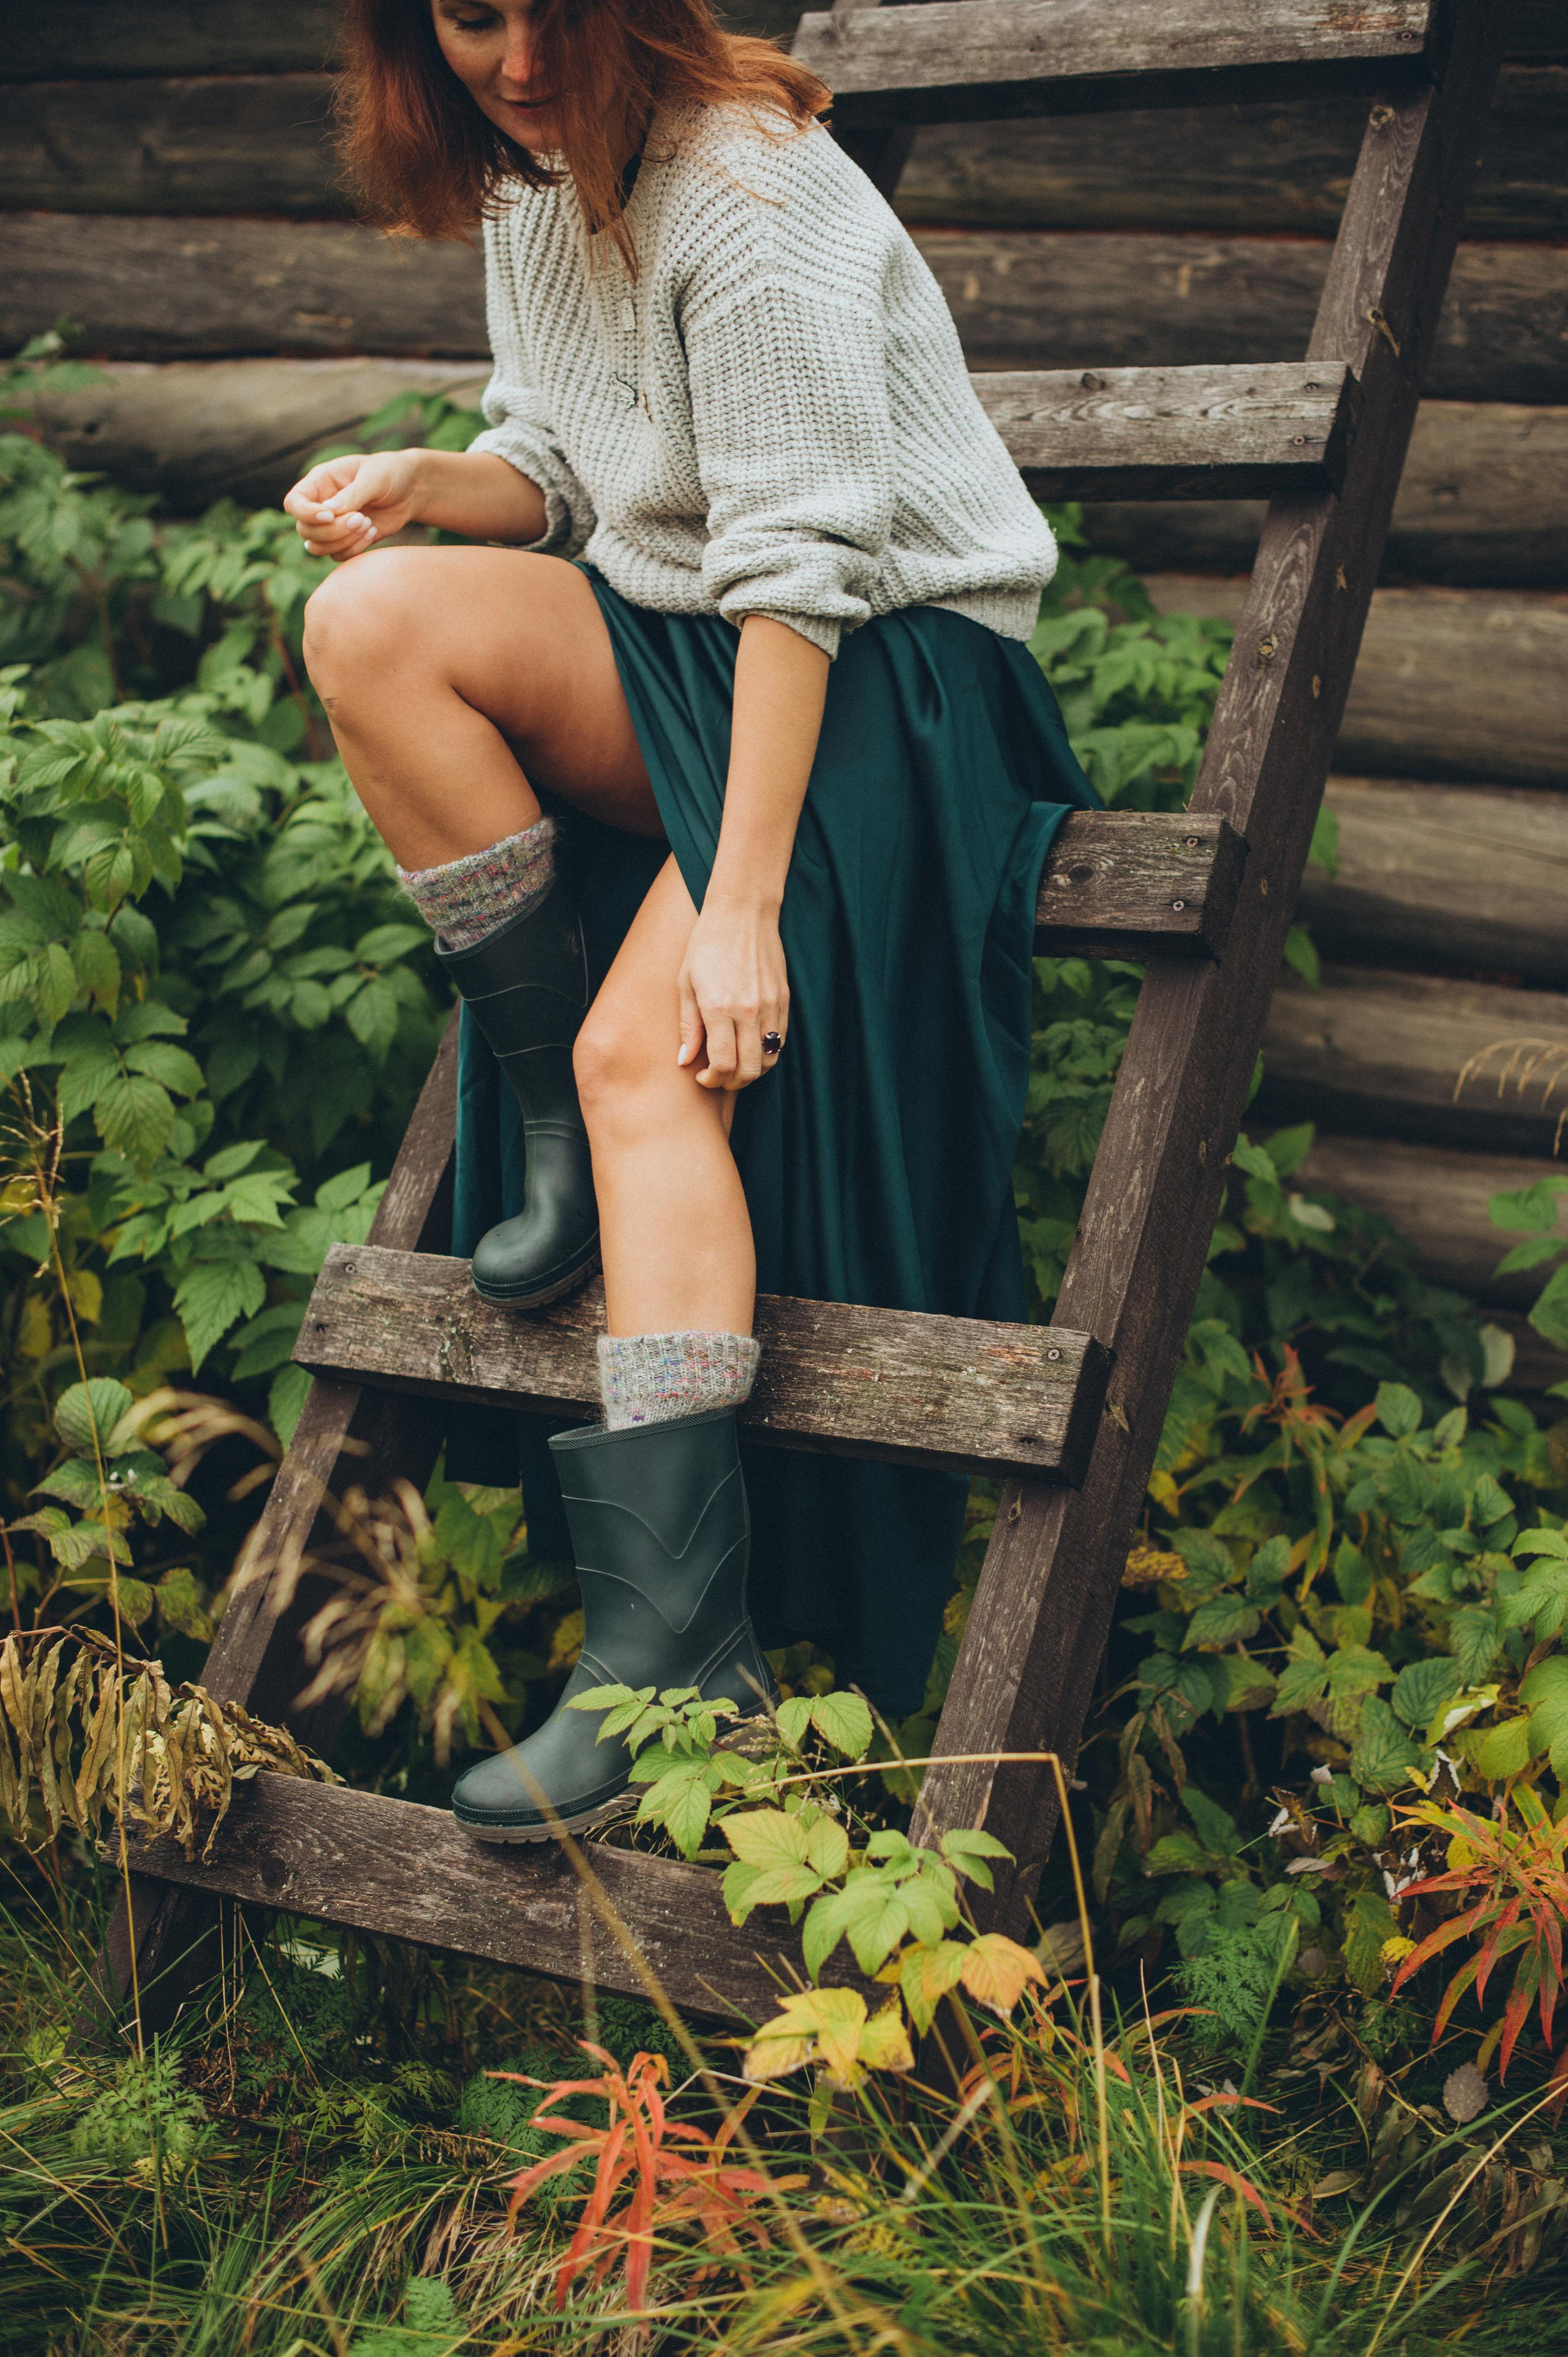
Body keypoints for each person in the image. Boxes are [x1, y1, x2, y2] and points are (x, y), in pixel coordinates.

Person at [285, 0, 1096, 1842]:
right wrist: (436, 489)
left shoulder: (751, 194)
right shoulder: (535, 187)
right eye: (465, 13)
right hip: (697, 651)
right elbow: (562, 475)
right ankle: (556, 1137)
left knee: (651, 1051)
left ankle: (669, 1662)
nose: (505, 53)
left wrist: (741, 909)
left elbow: (807, 564)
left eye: (538, 5)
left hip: (893, 681)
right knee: (375, 625)